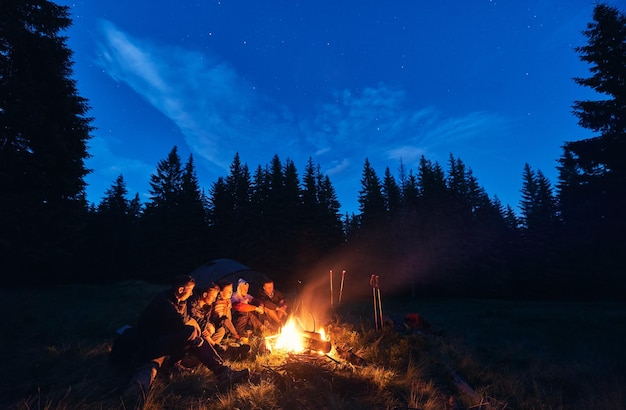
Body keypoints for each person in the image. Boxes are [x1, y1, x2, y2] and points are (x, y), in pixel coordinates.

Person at [124, 275, 249, 397]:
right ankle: (220, 370)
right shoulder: (164, 303)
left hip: (165, 341)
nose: (191, 294)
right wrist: (195, 333)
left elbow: (189, 320)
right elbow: (183, 324)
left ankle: (223, 371)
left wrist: (196, 333)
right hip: (150, 344)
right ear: (180, 290)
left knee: (194, 336)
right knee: (191, 333)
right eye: (190, 291)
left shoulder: (181, 302)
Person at [187, 282, 226, 347]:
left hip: (204, 330)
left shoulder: (208, 306)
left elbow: (209, 319)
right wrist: (206, 325)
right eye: (213, 297)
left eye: (215, 297)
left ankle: (209, 346)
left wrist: (212, 326)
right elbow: (191, 317)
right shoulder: (193, 302)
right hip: (196, 329)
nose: (214, 300)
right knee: (201, 332)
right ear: (205, 295)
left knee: (221, 330)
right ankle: (214, 346)